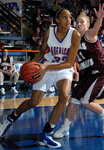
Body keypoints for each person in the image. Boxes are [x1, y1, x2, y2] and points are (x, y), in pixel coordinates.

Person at [0, 8, 81, 148]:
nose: (69, 20)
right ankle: (10, 118)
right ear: (57, 20)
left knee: (64, 96)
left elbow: (69, 62)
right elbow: (42, 53)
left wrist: (45, 68)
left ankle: (46, 134)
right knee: (33, 102)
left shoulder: (75, 34)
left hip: (64, 69)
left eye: (70, 17)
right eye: (64, 17)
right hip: (46, 66)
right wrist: (29, 67)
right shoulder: (50, 32)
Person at [53, 3, 104, 139]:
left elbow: (95, 30)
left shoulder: (89, 35)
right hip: (87, 75)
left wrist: (99, 19)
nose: (79, 24)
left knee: (85, 101)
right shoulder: (73, 41)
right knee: (74, 100)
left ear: (87, 25)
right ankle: (65, 129)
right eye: (77, 22)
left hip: (100, 73)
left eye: (82, 22)